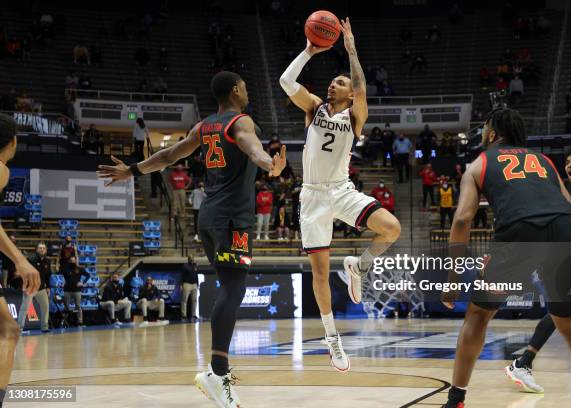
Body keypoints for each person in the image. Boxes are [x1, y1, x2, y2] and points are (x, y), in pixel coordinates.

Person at [97, 70, 286, 407]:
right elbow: (251, 147)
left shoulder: (204, 126)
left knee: (231, 286)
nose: (247, 90)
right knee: (233, 288)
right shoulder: (242, 122)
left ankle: (218, 370)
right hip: (231, 219)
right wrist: (268, 162)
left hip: (208, 218)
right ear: (234, 91)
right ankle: (217, 372)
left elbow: (169, 156)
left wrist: (132, 170)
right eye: (244, 85)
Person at [441, 108, 571, 408]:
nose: (482, 133)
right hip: (562, 229)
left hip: (519, 233)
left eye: (484, 128)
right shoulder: (545, 162)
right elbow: (569, 210)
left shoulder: (480, 163)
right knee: (569, 322)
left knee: (479, 314)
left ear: (493, 133)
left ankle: (456, 399)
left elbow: (461, 220)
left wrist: (452, 280)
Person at [279, 18, 401, 373]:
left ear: (350, 94)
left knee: (391, 228)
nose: (334, 85)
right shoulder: (313, 107)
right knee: (318, 273)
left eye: (341, 82)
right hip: (314, 196)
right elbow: (287, 82)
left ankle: (358, 265)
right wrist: (307, 51)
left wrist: (351, 49)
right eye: (333, 81)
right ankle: (333, 340)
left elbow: (362, 87)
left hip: (343, 190)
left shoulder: (355, 117)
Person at [506, 143, 571, 393]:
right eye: (566, 162)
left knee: (562, 313)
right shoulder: (558, 192)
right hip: (557, 257)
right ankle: (524, 362)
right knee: (563, 312)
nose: (569, 165)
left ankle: (523, 362)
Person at [0, 114, 40, 408]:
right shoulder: (0, 169)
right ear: (12, 143)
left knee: (8, 329)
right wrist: (20, 260)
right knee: (7, 331)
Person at [17, 243, 51, 332]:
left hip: (41, 288)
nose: (42, 249)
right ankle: (19, 328)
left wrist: (48, 287)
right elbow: (23, 272)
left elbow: (48, 275)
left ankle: (44, 327)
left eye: (44, 248)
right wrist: (24, 285)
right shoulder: (31, 259)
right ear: (37, 249)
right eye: (40, 248)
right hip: (30, 287)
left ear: (46, 250)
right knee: (25, 308)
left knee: (46, 307)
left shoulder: (48, 261)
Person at [61, 256, 88, 326]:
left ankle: (80, 321)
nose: (73, 261)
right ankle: (64, 321)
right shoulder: (66, 268)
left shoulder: (80, 269)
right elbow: (62, 276)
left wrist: (83, 282)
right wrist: (63, 281)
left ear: (76, 261)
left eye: (74, 260)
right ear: (69, 261)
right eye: (71, 260)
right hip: (67, 290)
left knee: (78, 306)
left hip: (77, 290)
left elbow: (88, 275)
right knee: (66, 306)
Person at [181, 255, 199, 320]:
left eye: (193, 258)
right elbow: (186, 273)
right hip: (187, 284)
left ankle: (193, 314)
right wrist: (181, 284)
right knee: (184, 300)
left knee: (194, 300)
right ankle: (184, 315)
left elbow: (196, 274)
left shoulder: (194, 266)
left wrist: (197, 284)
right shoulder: (185, 266)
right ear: (188, 259)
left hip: (194, 284)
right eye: (191, 258)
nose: (192, 259)